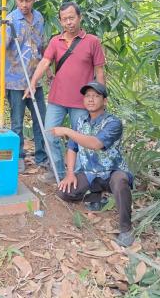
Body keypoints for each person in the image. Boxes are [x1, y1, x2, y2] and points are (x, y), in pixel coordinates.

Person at [25, 2, 106, 182]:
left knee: (79, 140)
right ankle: (58, 172)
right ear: (60, 21)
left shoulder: (92, 42)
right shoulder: (55, 41)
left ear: (79, 17)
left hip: (82, 102)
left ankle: (77, 177)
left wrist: (102, 98)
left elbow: (99, 71)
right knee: (49, 134)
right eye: (64, 19)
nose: (69, 22)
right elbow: (45, 62)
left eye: (72, 18)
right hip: (57, 99)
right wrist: (32, 82)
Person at [51, 82, 134, 247]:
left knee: (120, 181)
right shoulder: (81, 121)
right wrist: (69, 174)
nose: (91, 99)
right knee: (64, 192)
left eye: (96, 96)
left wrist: (67, 131)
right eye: (88, 96)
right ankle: (95, 198)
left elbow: (96, 144)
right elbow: (72, 147)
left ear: (105, 101)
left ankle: (126, 229)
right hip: (90, 172)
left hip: (112, 171)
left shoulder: (113, 123)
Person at [0, 0, 49, 173]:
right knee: (16, 123)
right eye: (20, 0)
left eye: (27, 0)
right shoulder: (9, 20)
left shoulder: (39, 18)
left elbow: (42, 46)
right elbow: (0, 49)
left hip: (36, 80)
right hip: (15, 80)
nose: (24, 4)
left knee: (41, 120)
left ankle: (42, 156)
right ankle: (18, 156)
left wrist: (48, 71)